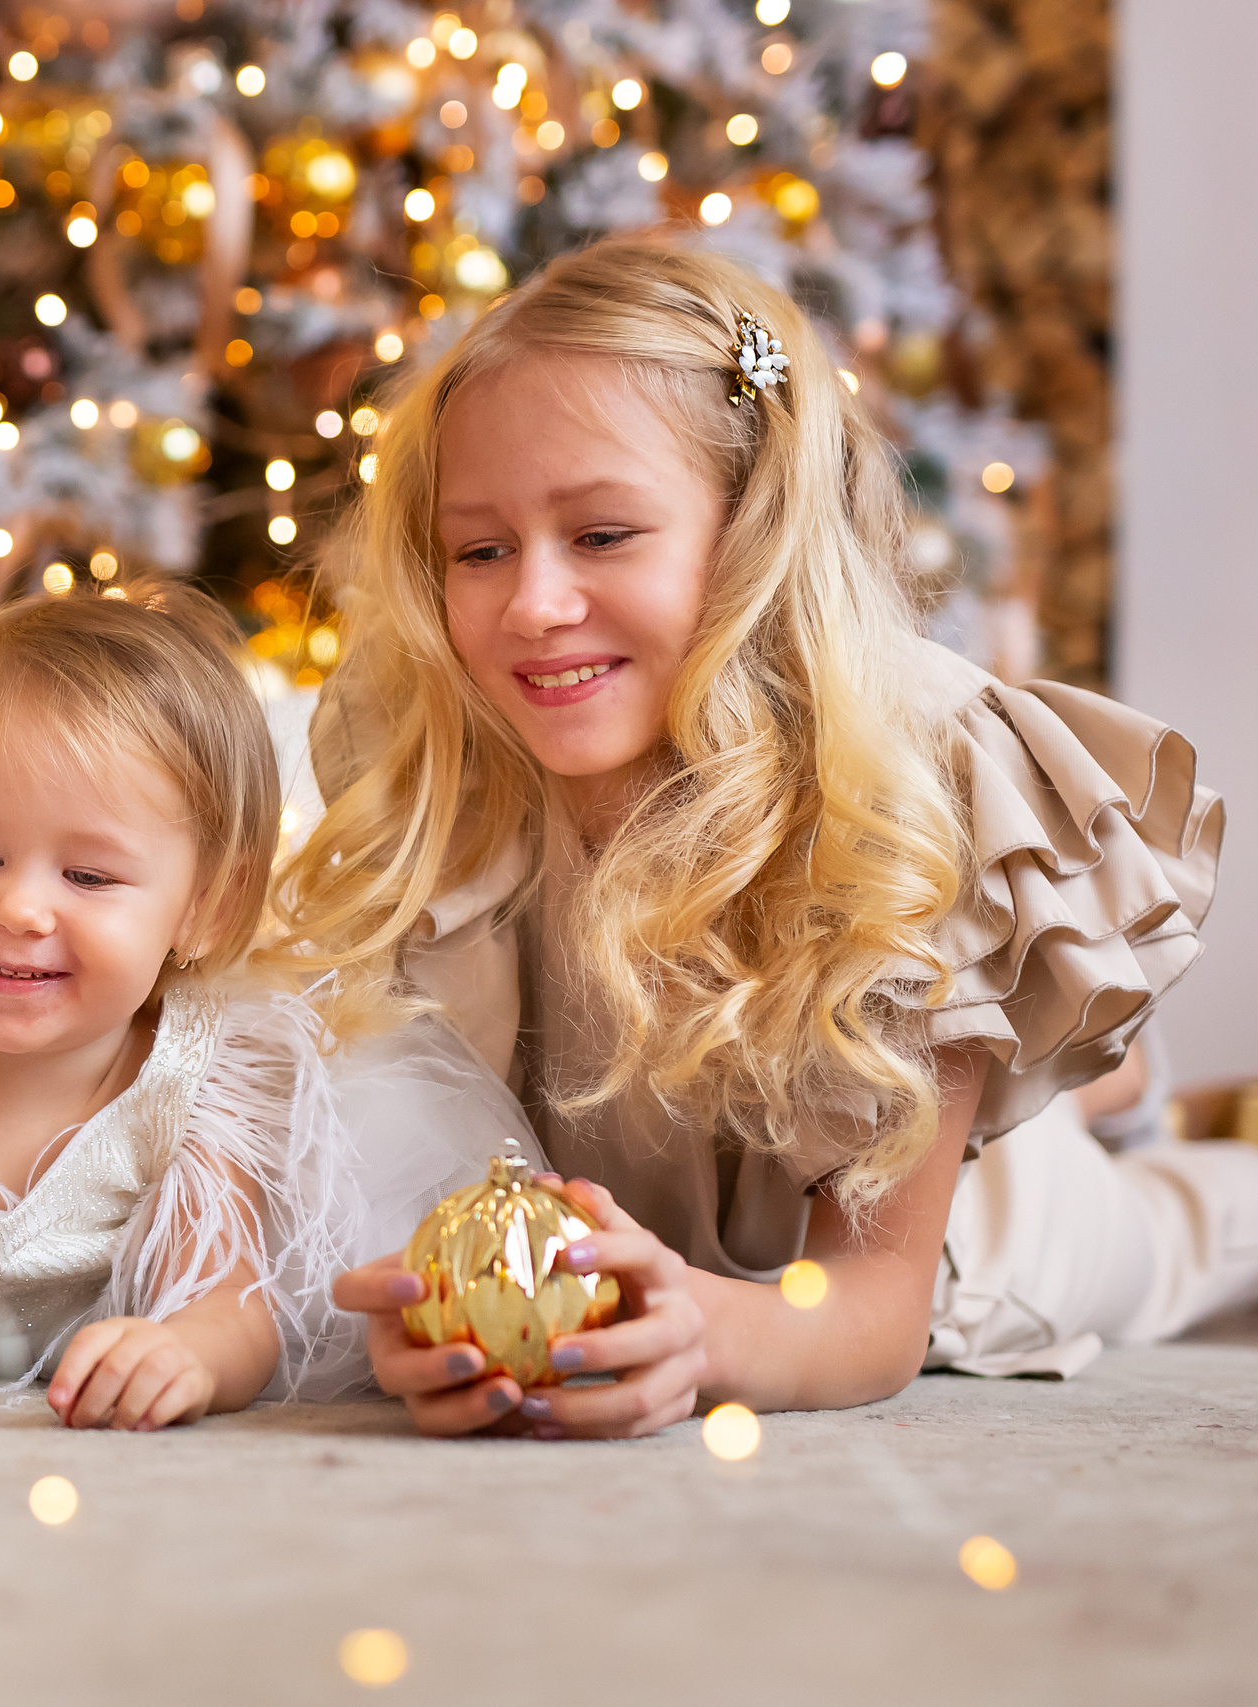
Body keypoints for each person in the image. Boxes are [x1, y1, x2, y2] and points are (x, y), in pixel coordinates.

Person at [280, 238, 1253, 1438]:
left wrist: (703, 1333)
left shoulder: (904, 789)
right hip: (691, 1223)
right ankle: (1107, 1096)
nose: (532, 605)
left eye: (602, 535)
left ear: (750, 532)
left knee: (1185, 1231)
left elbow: (869, 1312)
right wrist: (430, 1313)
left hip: (967, 1242)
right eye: (479, 550)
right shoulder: (448, 752)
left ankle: (1110, 1114)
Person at [0, 585, 516, 1433]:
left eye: (88, 876)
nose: (19, 909)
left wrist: (188, 1352)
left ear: (206, 907)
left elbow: (231, 1306)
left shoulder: (191, 1081)